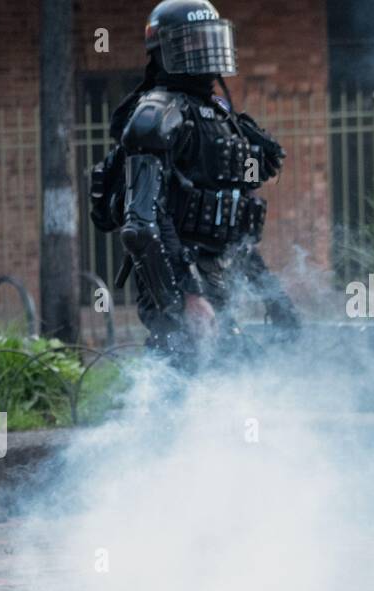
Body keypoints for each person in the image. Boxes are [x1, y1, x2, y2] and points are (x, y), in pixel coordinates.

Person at [90, 0, 299, 368]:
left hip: (220, 278)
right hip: (175, 279)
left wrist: (271, 293)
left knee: (235, 380)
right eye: (192, 42)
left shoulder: (222, 116)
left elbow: (235, 216)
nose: (204, 50)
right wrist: (187, 295)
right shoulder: (157, 115)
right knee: (179, 379)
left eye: (208, 39)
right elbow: (142, 223)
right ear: (165, 51)